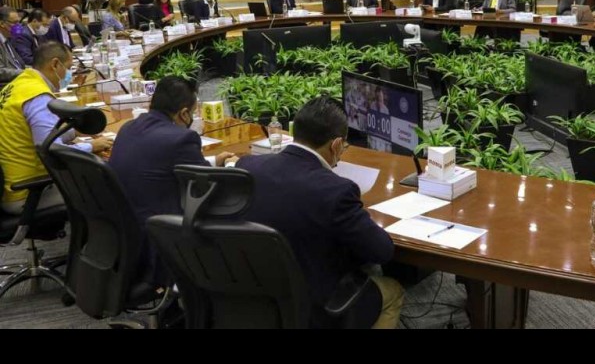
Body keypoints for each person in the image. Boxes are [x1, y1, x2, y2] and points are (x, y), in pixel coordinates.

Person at [234, 97, 403, 329]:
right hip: (313, 311)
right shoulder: (337, 191)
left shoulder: (247, 167)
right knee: (393, 291)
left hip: (253, 300)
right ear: (336, 144)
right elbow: (382, 251)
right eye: (344, 147)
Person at [109, 76, 237, 285]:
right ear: (184, 114)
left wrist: (215, 161)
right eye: (193, 113)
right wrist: (233, 167)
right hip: (159, 241)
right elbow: (207, 185)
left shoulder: (129, 127)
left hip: (124, 235)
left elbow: (163, 164)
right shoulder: (181, 138)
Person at [0, 42, 112, 214]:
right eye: (68, 67)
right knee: (104, 188)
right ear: (54, 64)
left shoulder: (17, 86)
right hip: (28, 192)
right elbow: (53, 151)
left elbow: (38, 135)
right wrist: (91, 146)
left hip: (13, 184)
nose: (69, 74)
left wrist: (74, 131)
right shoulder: (37, 96)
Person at [0, 7, 25, 83]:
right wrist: (24, 73)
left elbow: (17, 64)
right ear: (2, 24)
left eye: (19, 22)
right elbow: (1, 72)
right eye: (15, 23)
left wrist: (35, 70)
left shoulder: (8, 39)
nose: (18, 26)